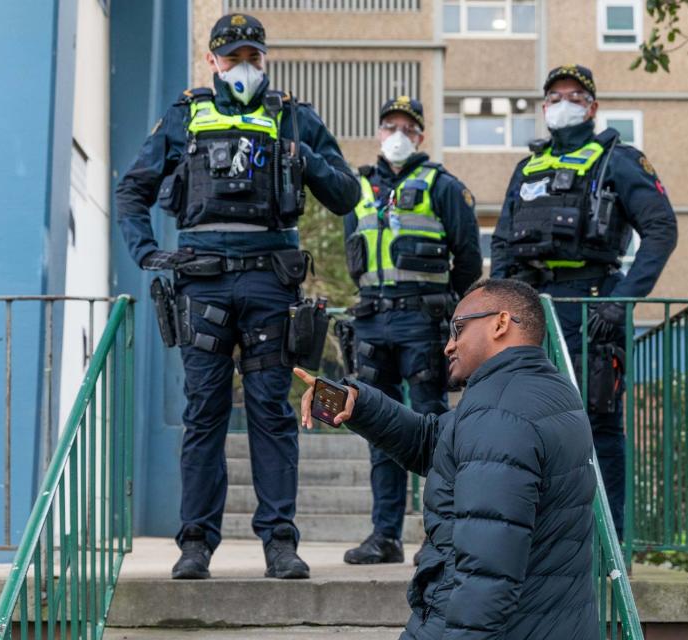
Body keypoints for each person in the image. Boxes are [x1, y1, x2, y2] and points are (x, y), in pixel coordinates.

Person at [115, 13, 360, 580]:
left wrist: (308, 159)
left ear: (264, 59)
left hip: (270, 283)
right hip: (201, 281)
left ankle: (280, 543)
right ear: (212, 62)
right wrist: (147, 253)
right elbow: (132, 191)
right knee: (203, 413)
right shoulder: (185, 116)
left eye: (252, 57)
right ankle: (195, 544)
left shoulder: (293, 115)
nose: (242, 67)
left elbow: (347, 195)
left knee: (272, 414)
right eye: (232, 58)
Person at [296, 279, 598, 639]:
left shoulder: (500, 411)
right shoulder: (540, 390)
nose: (448, 345)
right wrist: (359, 404)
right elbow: (437, 444)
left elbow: (487, 572)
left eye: (458, 329)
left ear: (501, 323)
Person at [490, 64, 678, 537]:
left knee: (597, 424)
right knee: (522, 421)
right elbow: (503, 242)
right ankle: (539, 541)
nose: (562, 104)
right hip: (532, 310)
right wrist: (500, 302)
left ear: (592, 106)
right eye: (553, 96)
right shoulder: (527, 166)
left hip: (593, 307)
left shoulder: (619, 159)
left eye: (573, 95)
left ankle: (608, 543)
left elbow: (661, 229)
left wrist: (622, 301)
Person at [340, 97, 482, 565]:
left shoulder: (443, 186)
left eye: (408, 127)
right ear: (379, 133)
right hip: (372, 320)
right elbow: (352, 252)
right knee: (378, 427)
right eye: (390, 126)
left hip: (423, 322)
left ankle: (441, 534)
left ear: (421, 136)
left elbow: (467, 260)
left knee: (435, 427)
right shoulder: (358, 187)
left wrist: (446, 308)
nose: (398, 134)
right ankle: (384, 536)